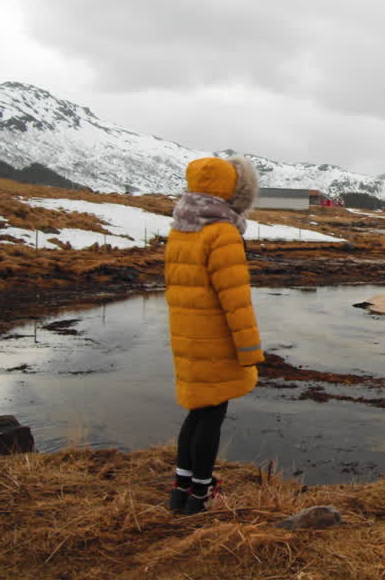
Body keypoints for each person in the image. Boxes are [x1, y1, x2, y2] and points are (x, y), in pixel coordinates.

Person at [164, 156, 264, 514]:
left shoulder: (181, 227)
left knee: (197, 410)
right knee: (212, 414)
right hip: (216, 340)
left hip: (187, 335)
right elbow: (235, 300)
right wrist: (250, 349)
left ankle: (182, 489)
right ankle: (200, 495)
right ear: (235, 192)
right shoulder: (222, 233)